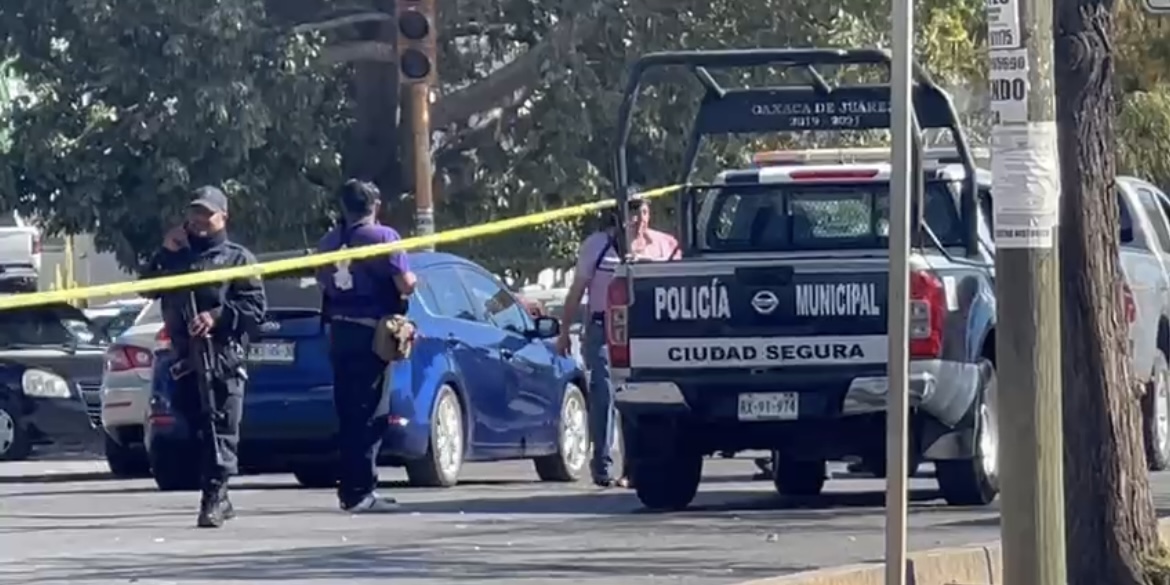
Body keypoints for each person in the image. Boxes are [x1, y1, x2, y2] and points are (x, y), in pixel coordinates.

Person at [141, 186, 266, 528]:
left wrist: (216, 317)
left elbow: (255, 308)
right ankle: (217, 495)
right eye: (194, 213)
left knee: (220, 426)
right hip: (184, 358)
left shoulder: (238, 259)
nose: (198, 220)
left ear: (223, 217)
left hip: (221, 355)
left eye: (206, 214)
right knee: (194, 428)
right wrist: (164, 253)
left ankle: (215, 496)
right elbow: (146, 287)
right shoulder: (177, 258)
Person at [555, 192, 679, 488]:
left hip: (647, 332)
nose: (639, 219)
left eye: (644, 211)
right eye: (632, 212)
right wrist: (563, 333)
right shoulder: (597, 247)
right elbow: (577, 291)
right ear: (620, 216)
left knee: (642, 396)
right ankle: (603, 465)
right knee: (605, 392)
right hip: (603, 328)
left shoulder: (665, 246)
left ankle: (634, 467)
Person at [317, 179, 418, 513]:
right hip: (372, 334)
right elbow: (405, 284)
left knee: (348, 412)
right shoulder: (384, 237)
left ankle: (350, 489)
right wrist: (412, 281)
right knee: (372, 412)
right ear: (374, 205)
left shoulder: (328, 242)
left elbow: (325, 285)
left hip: (339, 332)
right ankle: (361, 491)